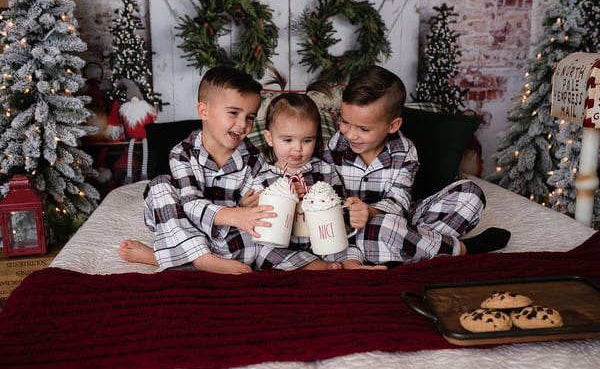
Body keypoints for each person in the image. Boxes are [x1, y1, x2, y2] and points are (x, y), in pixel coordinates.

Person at [324, 65, 510, 266]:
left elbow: (399, 203)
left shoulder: (404, 151)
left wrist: (370, 212)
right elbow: (325, 193)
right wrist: (350, 212)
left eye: (364, 128)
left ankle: (404, 245)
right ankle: (460, 249)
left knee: (471, 194)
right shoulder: (336, 145)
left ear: (393, 126)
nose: (350, 134)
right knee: (382, 229)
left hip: (398, 219)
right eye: (345, 122)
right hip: (350, 229)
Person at [118, 65, 276, 275]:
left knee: (263, 245)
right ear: (204, 111)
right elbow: (190, 204)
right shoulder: (182, 153)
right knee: (159, 185)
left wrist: (249, 204)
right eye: (233, 113)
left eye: (250, 117)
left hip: (227, 238)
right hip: (185, 228)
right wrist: (236, 214)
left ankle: (160, 256)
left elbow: (256, 205)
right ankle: (201, 258)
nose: (243, 124)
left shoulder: (253, 158)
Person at [250, 92, 387, 271]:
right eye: (288, 140)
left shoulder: (324, 170)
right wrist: (253, 206)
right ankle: (317, 267)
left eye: (307, 140)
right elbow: (256, 219)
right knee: (264, 252)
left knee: (345, 244)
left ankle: (352, 267)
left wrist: (318, 200)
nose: (297, 148)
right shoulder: (262, 177)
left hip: (323, 239)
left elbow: (340, 208)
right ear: (269, 138)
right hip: (285, 245)